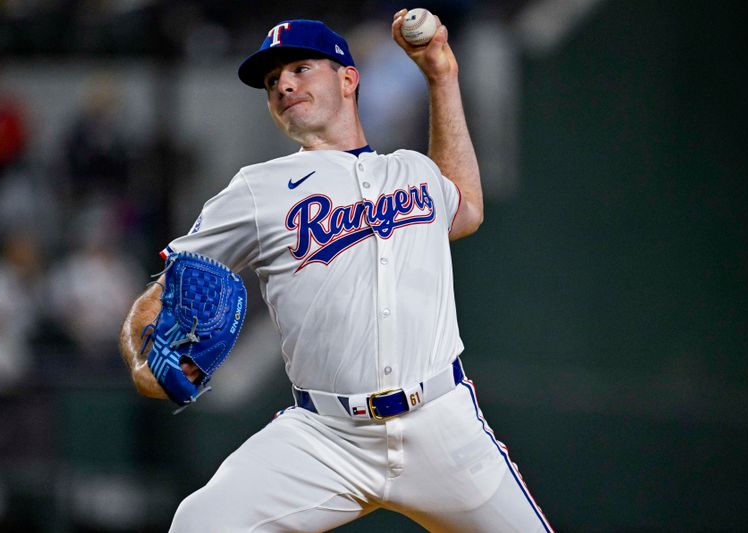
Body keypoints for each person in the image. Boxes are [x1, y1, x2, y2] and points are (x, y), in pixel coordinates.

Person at [120, 11, 553, 532]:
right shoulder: (257, 188)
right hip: (325, 436)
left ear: (348, 78)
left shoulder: (413, 169)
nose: (283, 84)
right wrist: (142, 361)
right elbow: (163, 292)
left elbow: (465, 210)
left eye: (300, 68)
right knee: (198, 522)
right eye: (272, 80)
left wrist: (442, 77)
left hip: (442, 423)